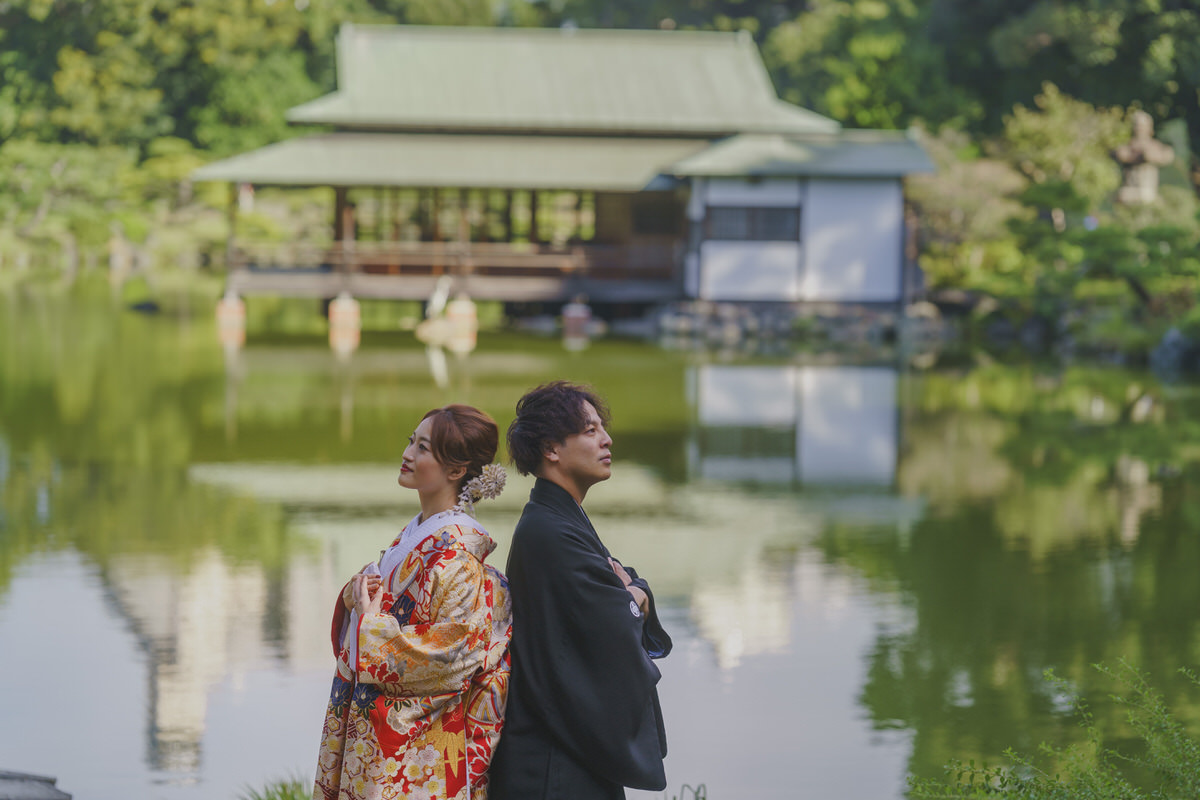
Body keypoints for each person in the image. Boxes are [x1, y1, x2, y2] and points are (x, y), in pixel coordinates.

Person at [313, 405, 512, 800]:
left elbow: (453, 654)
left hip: (416, 746)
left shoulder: (457, 556)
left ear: (456, 471)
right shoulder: (419, 535)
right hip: (374, 720)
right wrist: (361, 592)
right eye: (411, 441)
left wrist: (373, 628)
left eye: (423, 448)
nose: (407, 454)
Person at [489, 381, 672, 800]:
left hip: (561, 750)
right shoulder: (549, 531)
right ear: (552, 449)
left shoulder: (555, 521)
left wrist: (629, 592)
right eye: (590, 431)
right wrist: (636, 598)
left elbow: (614, 593)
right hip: (552, 764)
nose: (606, 439)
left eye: (601, 428)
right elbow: (612, 623)